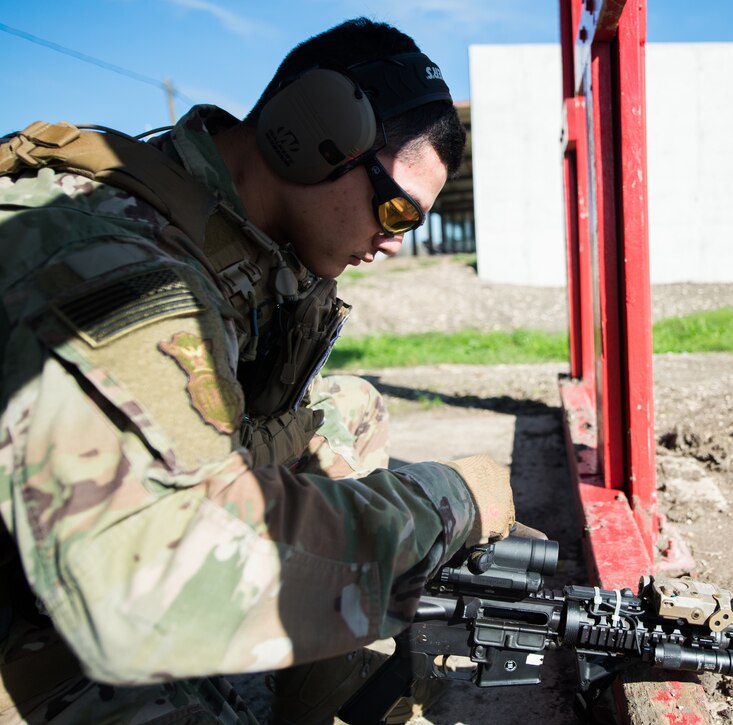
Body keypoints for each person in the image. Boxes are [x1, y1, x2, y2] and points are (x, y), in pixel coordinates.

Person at [0, 17, 529, 724]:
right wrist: (446, 500)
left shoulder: (230, 237)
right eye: (396, 209)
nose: (394, 242)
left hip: (78, 535)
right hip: (76, 591)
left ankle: (316, 688)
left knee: (349, 409)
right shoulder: (121, 259)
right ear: (315, 134)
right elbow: (159, 575)